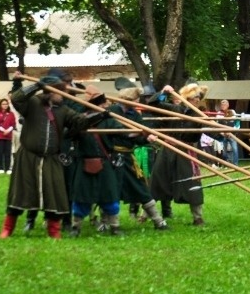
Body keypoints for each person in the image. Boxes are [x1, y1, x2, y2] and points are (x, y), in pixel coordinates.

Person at [0, 70, 104, 239]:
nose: (64, 94)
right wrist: (35, 86)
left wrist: (98, 115)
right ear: (49, 92)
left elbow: (79, 122)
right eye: (60, 91)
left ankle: (54, 231)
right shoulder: (32, 103)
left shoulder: (63, 109)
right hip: (28, 157)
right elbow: (16, 99)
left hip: (50, 159)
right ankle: (7, 229)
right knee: (20, 193)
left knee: (54, 194)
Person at [68, 85, 134, 237]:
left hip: (105, 163)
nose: (106, 106)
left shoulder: (109, 120)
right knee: (81, 198)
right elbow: (69, 134)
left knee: (110, 196)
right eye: (103, 103)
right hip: (85, 163)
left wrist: (140, 135)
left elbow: (124, 133)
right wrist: (93, 119)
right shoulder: (80, 119)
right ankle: (75, 227)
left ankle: (115, 227)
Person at [108, 77, 169, 233]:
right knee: (110, 191)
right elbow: (111, 132)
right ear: (128, 98)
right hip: (112, 157)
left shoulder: (135, 114)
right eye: (135, 99)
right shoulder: (112, 111)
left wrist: (146, 137)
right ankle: (111, 224)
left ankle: (158, 220)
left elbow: (140, 136)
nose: (137, 101)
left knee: (142, 188)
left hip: (129, 157)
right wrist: (131, 134)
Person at [148, 83, 209, 226]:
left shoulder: (198, 115)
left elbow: (211, 129)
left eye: (198, 98)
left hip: (186, 152)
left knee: (192, 183)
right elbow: (154, 103)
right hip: (168, 149)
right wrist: (164, 92)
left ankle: (197, 217)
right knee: (158, 181)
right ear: (186, 98)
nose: (197, 100)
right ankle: (147, 214)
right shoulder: (173, 109)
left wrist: (223, 132)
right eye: (194, 97)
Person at [0, 98, 16, 173]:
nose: (5, 105)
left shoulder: (11, 114)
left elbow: (13, 124)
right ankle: (0, 168)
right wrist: (2, 130)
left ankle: (8, 168)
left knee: (8, 152)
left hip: (8, 136)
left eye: (6, 104)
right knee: (0, 152)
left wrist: (8, 130)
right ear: (0, 105)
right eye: (3, 104)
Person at [217, 99, 240, 166]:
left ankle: (235, 164)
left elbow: (237, 122)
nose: (223, 105)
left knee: (235, 149)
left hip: (232, 134)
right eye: (222, 104)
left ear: (228, 105)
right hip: (223, 134)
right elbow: (216, 124)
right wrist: (222, 133)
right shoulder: (219, 113)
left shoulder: (232, 112)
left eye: (224, 104)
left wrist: (232, 131)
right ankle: (226, 164)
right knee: (224, 152)